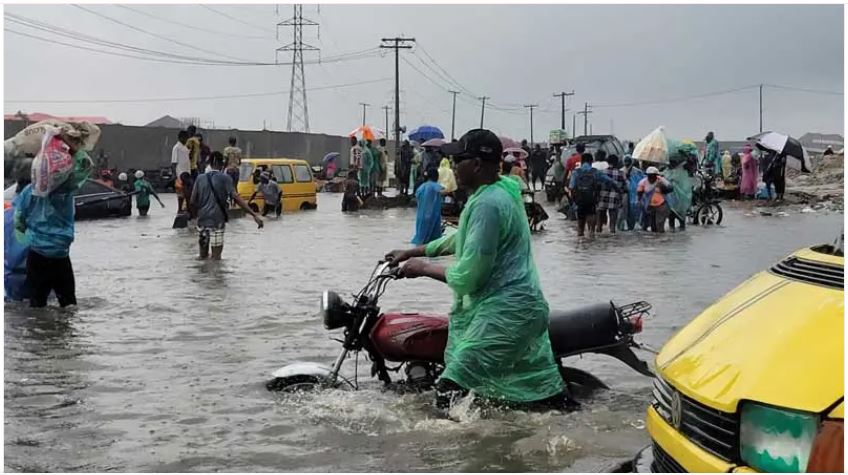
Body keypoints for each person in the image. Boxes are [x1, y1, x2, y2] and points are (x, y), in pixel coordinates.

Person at [386, 128, 569, 411]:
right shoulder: (503, 189)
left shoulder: (487, 204)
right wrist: (413, 251)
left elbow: (468, 276)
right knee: (534, 392)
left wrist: (421, 268)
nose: (453, 167)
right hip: (519, 308)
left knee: (451, 388)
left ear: (477, 164)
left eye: (459, 160)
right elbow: (463, 237)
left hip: (504, 314)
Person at [13, 131, 90, 308]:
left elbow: (19, 221)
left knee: (38, 305)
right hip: (61, 255)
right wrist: (72, 145)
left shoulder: (29, 192)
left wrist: (27, 235)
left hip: (37, 255)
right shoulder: (66, 191)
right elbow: (85, 165)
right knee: (68, 305)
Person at [191, 151, 263, 259]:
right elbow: (236, 198)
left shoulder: (200, 178)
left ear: (209, 163)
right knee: (216, 259)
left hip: (203, 221)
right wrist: (254, 215)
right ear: (222, 164)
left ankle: (203, 276)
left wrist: (200, 213)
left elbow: (192, 200)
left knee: (202, 257)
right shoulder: (225, 179)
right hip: (217, 221)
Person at [568, 153, 620, 238]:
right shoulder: (595, 172)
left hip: (580, 201)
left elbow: (571, 187)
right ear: (591, 161)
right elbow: (609, 181)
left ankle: (581, 243)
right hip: (591, 200)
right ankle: (591, 240)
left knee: (580, 231)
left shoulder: (576, 172)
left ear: (581, 161)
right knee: (592, 231)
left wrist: (574, 200)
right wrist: (618, 190)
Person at [411, 168, 444, 245]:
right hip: (433, 216)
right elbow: (443, 191)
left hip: (421, 216)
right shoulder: (436, 186)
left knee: (420, 237)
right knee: (434, 240)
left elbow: (416, 197)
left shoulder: (421, 187)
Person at [596, 155, 627, 234]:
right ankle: (612, 237)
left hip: (602, 198)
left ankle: (598, 237)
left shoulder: (602, 172)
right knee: (612, 225)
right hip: (615, 199)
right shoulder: (621, 174)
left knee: (599, 225)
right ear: (617, 162)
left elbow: (597, 186)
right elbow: (625, 188)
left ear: (607, 162)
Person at [637, 167, 673, 233]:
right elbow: (639, 193)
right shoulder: (643, 182)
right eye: (649, 175)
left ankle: (660, 239)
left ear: (656, 175)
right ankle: (654, 241)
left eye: (653, 175)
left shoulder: (661, 181)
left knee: (659, 224)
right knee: (653, 226)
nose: (651, 177)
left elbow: (670, 188)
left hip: (661, 205)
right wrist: (640, 203)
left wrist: (662, 188)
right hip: (650, 206)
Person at [663, 157, 693, 231]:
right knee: (672, 218)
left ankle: (678, 230)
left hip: (679, 199)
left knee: (680, 218)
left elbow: (685, 186)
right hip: (671, 200)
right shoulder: (667, 171)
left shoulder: (681, 172)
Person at [622, 156, 645, 231]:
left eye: (628, 161)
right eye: (625, 161)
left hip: (635, 195)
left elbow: (641, 182)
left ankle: (636, 223)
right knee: (624, 210)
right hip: (625, 194)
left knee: (635, 210)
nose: (627, 163)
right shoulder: (621, 171)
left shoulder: (637, 172)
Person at [172, 130, 192, 214]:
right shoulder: (176, 148)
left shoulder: (185, 148)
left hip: (187, 173)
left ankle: (188, 208)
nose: (186, 140)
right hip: (180, 173)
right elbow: (173, 163)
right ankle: (179, 209)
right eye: (185, 138)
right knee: (180, 193)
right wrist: (174, 175)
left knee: (188, 192)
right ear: (180, 138)